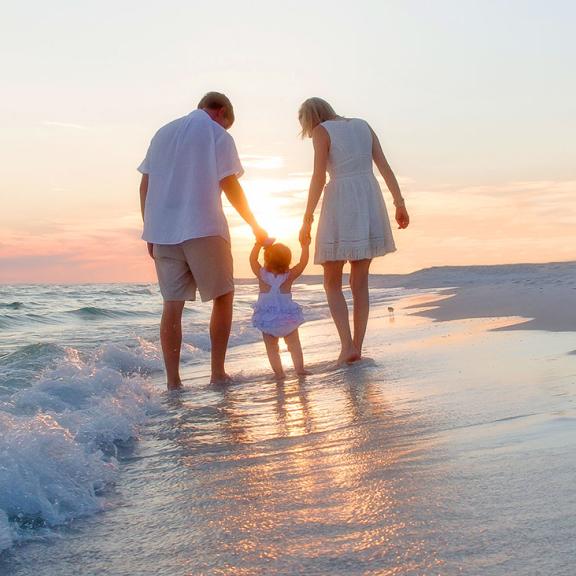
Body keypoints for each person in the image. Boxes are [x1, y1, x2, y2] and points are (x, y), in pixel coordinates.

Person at [138, 92, 267, 388]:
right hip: (203, 226)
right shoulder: (216, 134)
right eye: (226, 124)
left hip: (163, 232)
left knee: (172, 305)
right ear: (221, 112)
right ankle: (217, 373)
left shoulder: (162, 133)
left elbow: (145, 184)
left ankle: (173, 383)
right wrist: (256, 226)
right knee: (222, 297)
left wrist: (150, 228)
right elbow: (229, 183)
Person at [298, 97, 409, 364]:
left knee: (331, 281)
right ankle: (357, 346)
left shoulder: (321, 131)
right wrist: (399, 202)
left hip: (341, 200)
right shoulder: (363, 125)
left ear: (310, 119)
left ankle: (346, 346)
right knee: (359, 282)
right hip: (368, 197)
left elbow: (318, 176)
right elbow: (383, 166)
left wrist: (307, 217)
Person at [250, 238, 310, 379]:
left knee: (272, 349)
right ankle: (300, 369)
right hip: (287, 319)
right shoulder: (288, 276)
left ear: (267, 259)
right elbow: (303, 263)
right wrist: (305, 246)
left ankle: (279, 374)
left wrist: (258, 244)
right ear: (287, 261)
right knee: (294, 345)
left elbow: (252, 259)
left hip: (267, 319)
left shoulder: (262, 275)